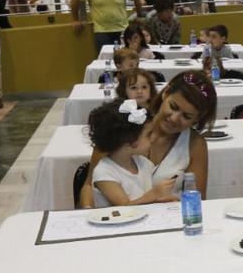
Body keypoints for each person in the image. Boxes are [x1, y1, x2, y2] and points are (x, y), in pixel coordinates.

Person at [78, 71, 216, 209]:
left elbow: (196, 200)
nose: (174, 118)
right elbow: (89, 185)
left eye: (186, 116)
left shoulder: (195, 144)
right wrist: (88, 211)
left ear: (197, 119)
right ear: (166, 93)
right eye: (173, 107)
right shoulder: (123, 126)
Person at [86, 100, 177, 208]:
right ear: (130, 142)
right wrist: (154, 194)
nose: (153, 138)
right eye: (148, 134)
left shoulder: (144, 163)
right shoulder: (105, 172)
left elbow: (147, 204)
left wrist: (165, 200)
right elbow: (125, 208)